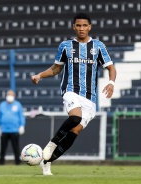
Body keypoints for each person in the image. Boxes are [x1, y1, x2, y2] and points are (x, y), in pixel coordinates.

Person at [31, 13, 116, 176]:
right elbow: (56, 68)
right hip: (71, 91)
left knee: (75, 131)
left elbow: (111, 67)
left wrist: (111, 83)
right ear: (74, 27)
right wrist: (39, 75)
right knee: (75, 118)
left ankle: (46, 162)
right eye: (78, 25)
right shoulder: (65, 46)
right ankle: (51, 145)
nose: (81, 28)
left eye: (85, 25)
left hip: (90, 98)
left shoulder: (98, 46)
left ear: (89, 27)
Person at [0, 89, 26, 165]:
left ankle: (17, 162)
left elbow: (21, 116)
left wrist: (22, 126)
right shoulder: (2, 105)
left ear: (14, 96)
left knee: (16, 147)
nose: (9, 96)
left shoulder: (18, 105)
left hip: (14, 130)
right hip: (4, 130)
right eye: (8, 95)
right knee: (3, 148)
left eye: (11, 95)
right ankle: (1, 162)